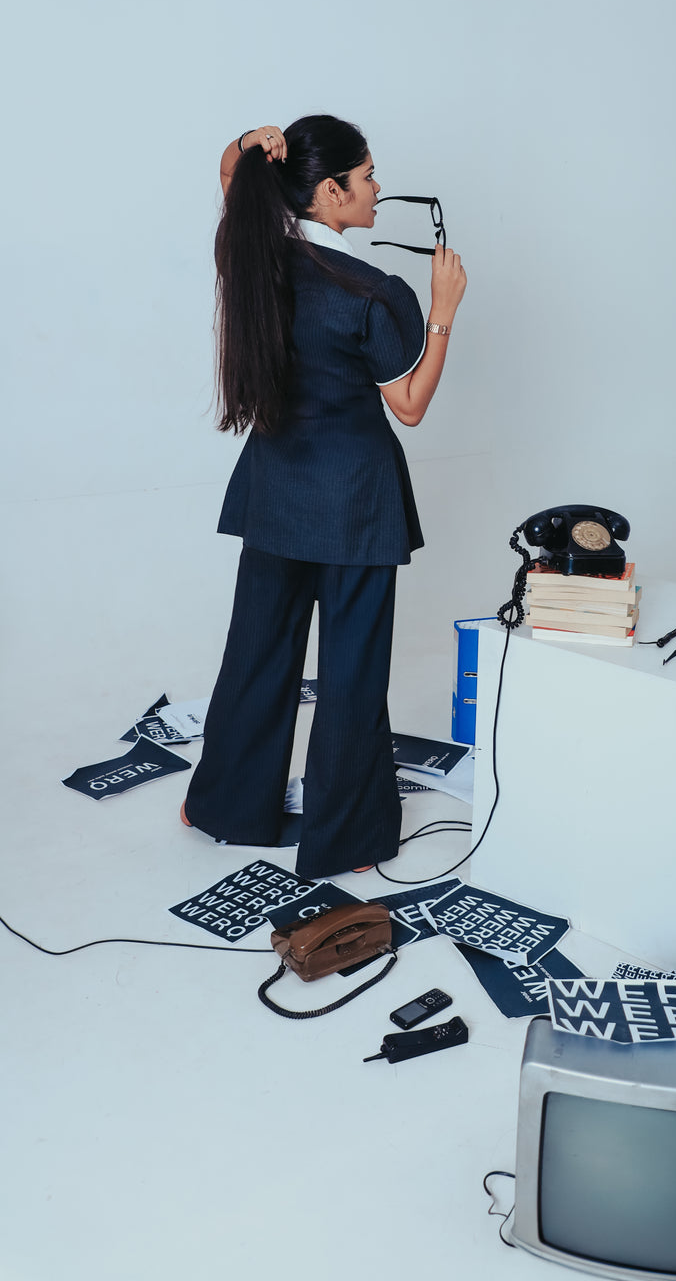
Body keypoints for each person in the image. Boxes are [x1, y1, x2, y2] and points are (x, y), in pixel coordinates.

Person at [181, 114, 466, 879]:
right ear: (331, 192)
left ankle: (221, 806)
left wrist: (249, 140)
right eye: (367, 177)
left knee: (257, 653)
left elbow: (232, 182)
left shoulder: (253, 257)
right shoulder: (374, 290)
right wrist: (443, 312)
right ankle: (345, 838)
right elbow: (407, 405)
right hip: (356, 504)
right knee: (351, 671)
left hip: (275, 490)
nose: (377, 189)